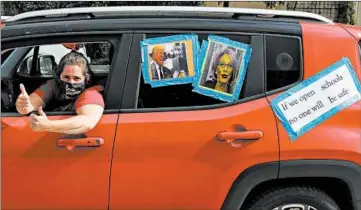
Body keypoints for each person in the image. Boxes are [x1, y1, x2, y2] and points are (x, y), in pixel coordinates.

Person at [15, 51, 104, 134]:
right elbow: (33, 101)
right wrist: (24, 106)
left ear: (86, 79)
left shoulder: (92, 94)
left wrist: (49, 126)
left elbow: (87, 122)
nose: (71, 82)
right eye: (66, 77)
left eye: (77, 78)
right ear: (59, 77)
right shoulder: (53, 86)